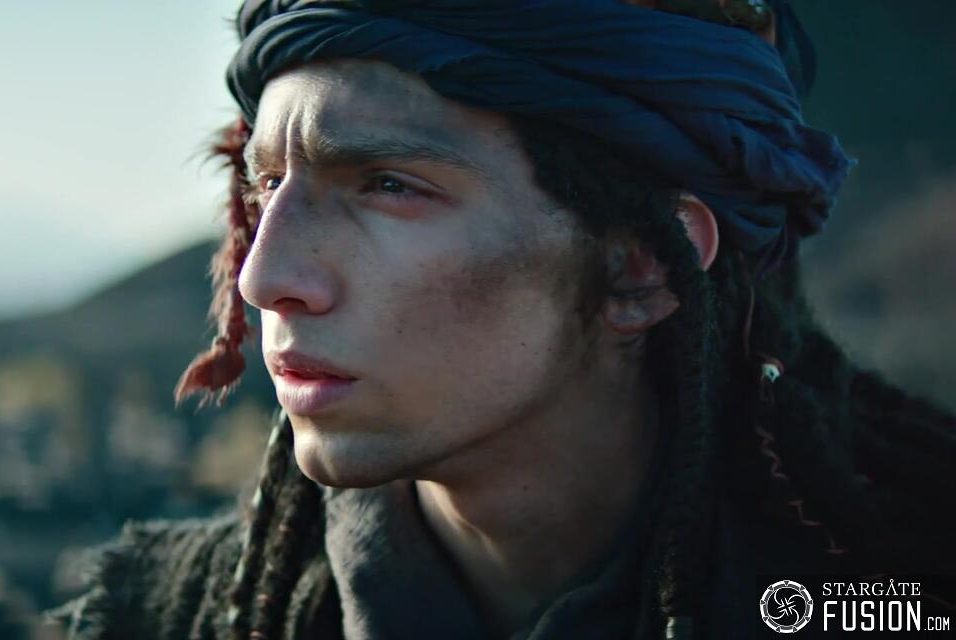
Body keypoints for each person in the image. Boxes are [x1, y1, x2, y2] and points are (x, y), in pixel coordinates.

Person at [49, 1, 956, 638]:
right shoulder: (168, 618)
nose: (263, 278)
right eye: (267, 185)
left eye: (387, 185)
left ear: (640, 265)